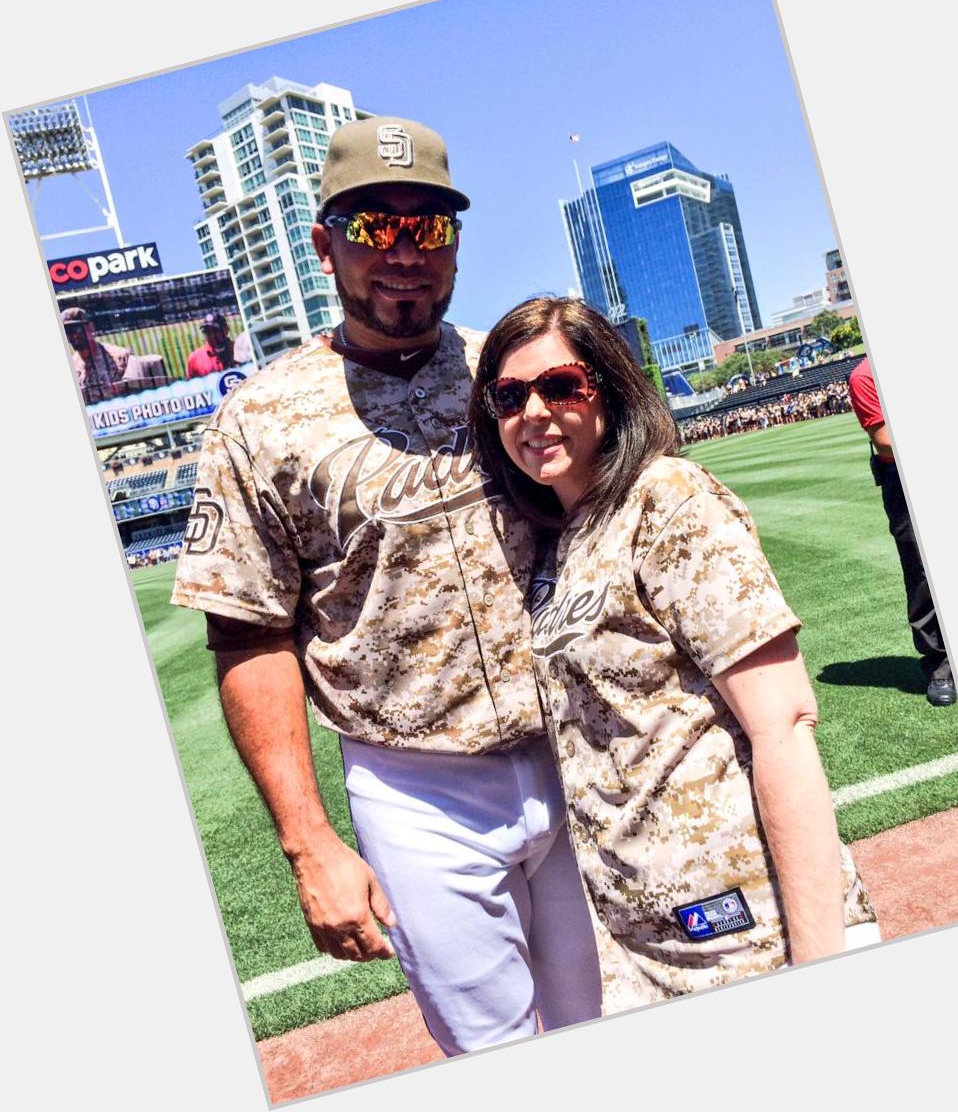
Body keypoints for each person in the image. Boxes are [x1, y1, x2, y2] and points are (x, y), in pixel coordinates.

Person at [170, 117, 601, 1056]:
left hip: (578, 751)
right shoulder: (259, 420)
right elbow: (247, 635)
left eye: (429, 226)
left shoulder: (515, 375)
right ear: (325, 246)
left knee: (616, 1015)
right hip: (419, 792)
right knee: (496, 1054)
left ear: (454, 243)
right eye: (373, 227)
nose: (404, 252)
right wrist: (309, 843)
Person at [468, 297, 879, 1016]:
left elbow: (782, 725)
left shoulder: (667, 500)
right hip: (638, 948)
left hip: (747, 930)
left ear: (611, 389)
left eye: (561, 386)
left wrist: (823, 964)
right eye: (508, 395)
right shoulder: (553, 544)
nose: (533, 411)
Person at [847, 356, 955, 705]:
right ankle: (940, 666)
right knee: (921, 571)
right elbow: (884, 438)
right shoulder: (864, 376)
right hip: (902, 479)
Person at [186, 311, 236, 377]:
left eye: (215, 330)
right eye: (207, 332)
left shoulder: (239, 349)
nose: (212, 335)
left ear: (226, 329)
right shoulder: (195, 359)